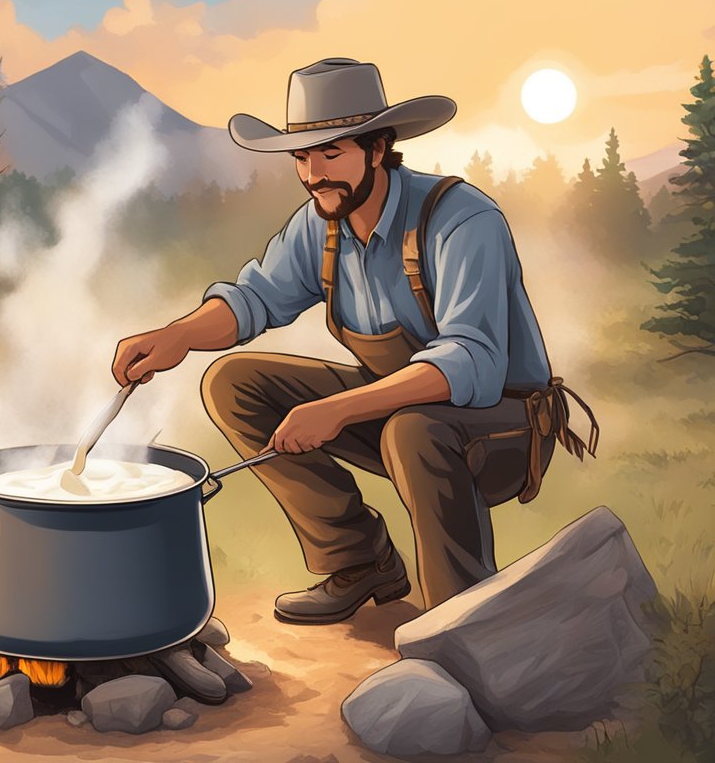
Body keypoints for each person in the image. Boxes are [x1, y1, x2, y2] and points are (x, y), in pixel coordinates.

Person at [111, 58, 598, 624]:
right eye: (302, 156)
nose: (314, 173)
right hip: (399, 411)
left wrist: (335, 411)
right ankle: (360, 562)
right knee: (233, 382)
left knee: (414, 428)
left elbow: (472, 362)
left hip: (502, 427)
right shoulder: (319, 224)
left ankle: (462, 620)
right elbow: (256, 298)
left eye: (331, 153)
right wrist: (179, 336)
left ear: (378, 146)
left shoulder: (463, 220)